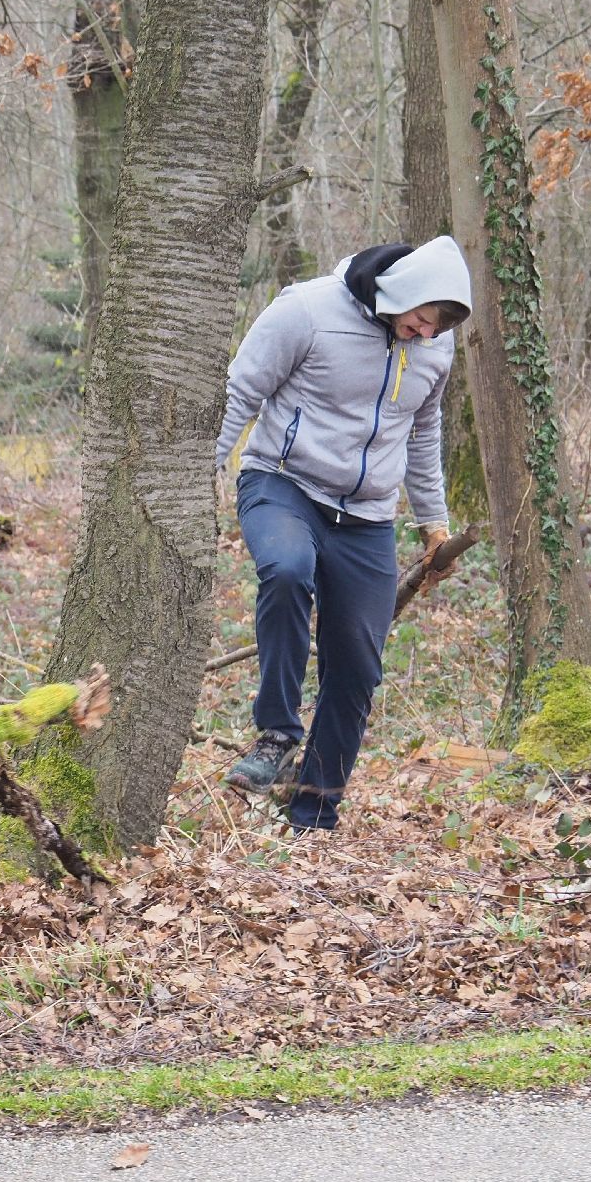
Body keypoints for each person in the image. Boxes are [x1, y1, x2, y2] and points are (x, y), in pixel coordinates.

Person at [215, 236, 472, 834]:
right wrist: (198, 477)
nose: (425, 334)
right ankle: (276, 734)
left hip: (367, 517)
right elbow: (239, 392)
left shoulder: (434, 345)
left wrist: (433, 524)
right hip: (283, 483)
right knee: (286, 569)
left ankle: (313, 813)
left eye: (437, 327)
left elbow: (423, 433)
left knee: (357, 665)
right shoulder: (306, 310)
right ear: (400, 291)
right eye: (421, 319)